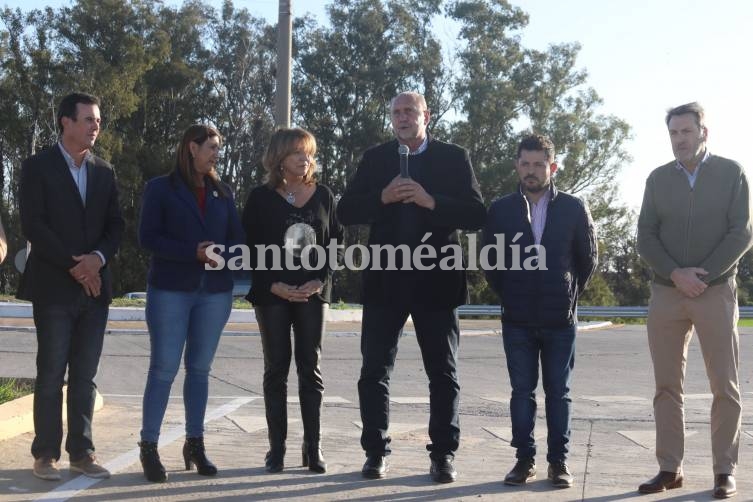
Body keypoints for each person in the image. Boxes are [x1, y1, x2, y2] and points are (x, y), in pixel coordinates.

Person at [337, 91, 486, 483]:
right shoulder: (376, 158)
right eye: (396, 112)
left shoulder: (454, 157)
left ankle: (443, 455)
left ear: (426, 116)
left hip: (436, 280)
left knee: (443, 373)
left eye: (409, 111)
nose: (402, 118)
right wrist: (382, 197)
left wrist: (431, 201)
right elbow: (346, 210)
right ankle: (375, 452)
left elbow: (476, 212)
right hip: (386, 279)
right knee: (374, 371)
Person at [636, 102, 752, 499]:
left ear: (704, 133)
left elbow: (742, 233)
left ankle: (724, 471)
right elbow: (645, 236)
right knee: (667, 386)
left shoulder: (731, 173)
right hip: (667, 293)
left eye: (686, 132)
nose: (679, 140)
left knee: (725, 384)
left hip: (715, 290)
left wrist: (702, 275)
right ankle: (670, 468)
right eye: (673, 133)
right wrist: (675, 274)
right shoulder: (656, 180)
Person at [18, 92, 125, 480]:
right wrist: (74, 265)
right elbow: (34, 225)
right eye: (88, 119)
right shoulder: (37, 167)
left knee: (84, 374)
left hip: (95, 290)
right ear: (66, 121)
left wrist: (96, 260)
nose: (95, 126)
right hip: (53, 287)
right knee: (50, 372)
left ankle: (82, 452)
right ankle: (45, 454)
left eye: (98, 120)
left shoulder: (104, 171)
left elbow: (116, 227)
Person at [483, 134, 597, 489]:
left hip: (559, 320)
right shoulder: (501, 209)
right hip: (516, 318)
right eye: (525, 163)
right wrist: (512, 292)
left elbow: (588, 259)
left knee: (559, 393)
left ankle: (558, 463)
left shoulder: (574, 208)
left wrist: (567, 295)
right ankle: (523, 460)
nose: (531, 171)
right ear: (516, 165)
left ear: (552, 167)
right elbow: (491, 260)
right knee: (521, 392)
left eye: (538, 164)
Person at [137, 125, 244, 482]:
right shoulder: (160, 189)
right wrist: (192, 253)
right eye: (211, 147)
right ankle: (149, 447)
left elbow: (237, 241)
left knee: (199, 370)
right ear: (191, 148)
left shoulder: (223, 193)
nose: (216, 154)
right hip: (170, 290)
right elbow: (147, 237)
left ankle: (194, 443)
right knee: (164, 369)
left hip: (214, 293)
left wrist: (221, 255)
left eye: (218, 148)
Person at [242, 127, 343, 474]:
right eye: (299, 152)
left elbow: (336, 245)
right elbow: (250, 249)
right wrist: (273, 285)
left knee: (310, 370)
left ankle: (312, 449)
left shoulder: (325, 195)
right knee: (276, 370)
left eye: (310, 153)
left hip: (313, 294)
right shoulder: (259, 197)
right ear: (280, 158)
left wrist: (320, 279)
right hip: (273, 295)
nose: (306, 159)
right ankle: (277, 450)